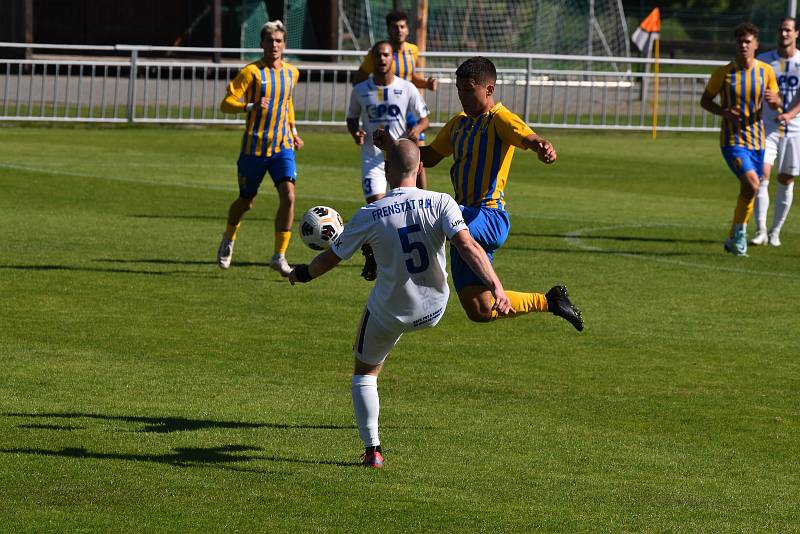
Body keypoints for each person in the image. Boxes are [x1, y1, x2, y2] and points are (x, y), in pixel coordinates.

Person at [287, 139, 514, 468]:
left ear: (386, 171)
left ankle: (372, 450)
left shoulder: (370, 213)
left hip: (392, 312)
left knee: (364, 374)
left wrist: (302, 274)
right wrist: (497, 287)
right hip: (435, 307)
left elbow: (329, 259)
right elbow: (468, 247)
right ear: (421, 168)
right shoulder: (441, 202)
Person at [376, 57, 584, 331]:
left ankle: (378, 251)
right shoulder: (458, 124)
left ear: (489, 90)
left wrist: (543, 146)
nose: (463, 96)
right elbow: (429, 157)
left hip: (488, 216)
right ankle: (550, 301)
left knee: (431, 216)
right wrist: (393, 145)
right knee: (480, 308)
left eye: (469, 89)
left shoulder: (499, 119)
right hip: (463, 220)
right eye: (460, 89)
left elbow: (529, 138)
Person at [216, 20, 304, 275]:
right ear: (262, 44)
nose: (274, 45)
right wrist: (250, 106)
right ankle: (229, 238)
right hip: (254, 149)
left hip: (282, 147)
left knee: (289, 196)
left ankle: (279, 256)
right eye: (270, 40)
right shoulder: (251, 72)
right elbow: (226, 103)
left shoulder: (292, 72)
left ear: (284, 44)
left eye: (278, 41)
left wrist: (294, 131)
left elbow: (286, 103)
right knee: (246, 202)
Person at [700, 22, 780, 257]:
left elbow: (776, 102)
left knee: (750, 190)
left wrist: (775, 101)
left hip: (758, 141)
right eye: (740, 42)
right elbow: (705, 101)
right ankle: (741, 233)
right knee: (753, 184)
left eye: (748, 41)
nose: (743, 45)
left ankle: (735, 235)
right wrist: (724, 112)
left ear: (756, 45)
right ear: (735, 45)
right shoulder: (723, 74)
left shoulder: (766, 71)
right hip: (733, 141)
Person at [347, 41, 430, 204]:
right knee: (377, 207)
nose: (382, 59)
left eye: (386, 55)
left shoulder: (407, 87)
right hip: (372, 158)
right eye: (377, 55)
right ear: (372, 58)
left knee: (407, 206)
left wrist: (418, 128)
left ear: (392, 58)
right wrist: (355, 132)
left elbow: (424, 118)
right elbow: (352, 118)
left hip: (400, 157)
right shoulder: (360, 90)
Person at [750, 18, 800, 248]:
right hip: (767, 128)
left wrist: (789, 114)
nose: (783, 33)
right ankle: (760, 230)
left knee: (786, 179)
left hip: (795, 129)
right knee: (762, 176)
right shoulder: (764, 61)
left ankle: (775, 231)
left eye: (788, 30)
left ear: (796, 33)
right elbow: (757, 91)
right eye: (780, 29)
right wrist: (767, 102)